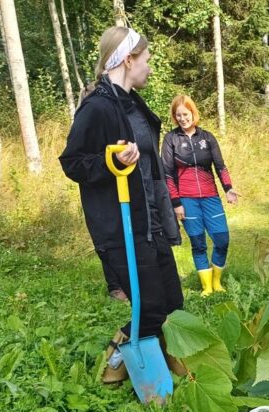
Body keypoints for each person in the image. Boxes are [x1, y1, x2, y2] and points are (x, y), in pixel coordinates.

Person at [59, 26, 184, 383]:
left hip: (151, 219)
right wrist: (110, 162)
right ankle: (119, 357)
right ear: (128, 60)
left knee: (173, 302)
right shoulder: (97, 107)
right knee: (150, 306)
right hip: (123, 225)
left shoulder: (134, 104)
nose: (149, 66)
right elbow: (73, 161)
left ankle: (171, 355)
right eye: (146, 59)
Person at [161, 94, 238, 297]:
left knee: (222, 240)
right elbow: (167, 173)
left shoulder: (207, 137)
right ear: (174, 117)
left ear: (193, 113)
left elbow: (220, 166)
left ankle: (217, 282)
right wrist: (176, 203)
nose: (183, 119)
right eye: (178, 116)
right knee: (198, 244)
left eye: (185, 114)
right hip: (186, 200)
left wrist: (228, 188)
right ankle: (207, 288)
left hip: (211, 197)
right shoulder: (170, 139)